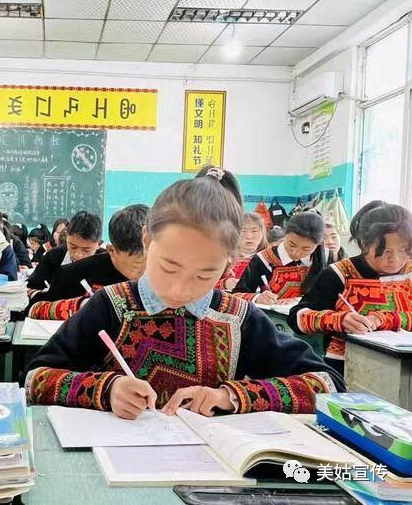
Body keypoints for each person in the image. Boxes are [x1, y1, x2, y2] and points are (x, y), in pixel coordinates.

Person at [25, 174, 342, 419]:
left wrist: (229, 397)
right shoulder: (110, 305)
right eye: (169, 267)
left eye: (204, 275)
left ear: (227, 264)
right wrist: (107, 389)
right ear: (147, 240)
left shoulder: (238, 319)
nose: (180, 289)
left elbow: (328, 385)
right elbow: (35, 379)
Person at [288, 201, 412, 375]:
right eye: (385, 251)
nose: (395, 259)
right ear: (364, 244)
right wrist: (339, 320)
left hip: (405, 368)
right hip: (347, 368)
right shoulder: (339, 273)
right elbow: (296, 318)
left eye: (404, 250)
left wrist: (383, 319)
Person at [28, 205, 149, 320]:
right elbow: (37, 306)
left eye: (86, 249)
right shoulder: (69, 272)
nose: (78, 254)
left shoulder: (153, 279)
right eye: (137, 265)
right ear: (111, 251)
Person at [233, 212, 327, 304]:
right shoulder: (262, 259)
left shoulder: (326, 258)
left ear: (318, 245)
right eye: (292, 244)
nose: (296, 252)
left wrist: (297, 301)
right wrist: (257, 298)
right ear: (285, 234)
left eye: (306, 249)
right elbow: (236, 295)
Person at [26, 211, 102, 292]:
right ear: (67, 238)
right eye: (73, 246)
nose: (78, 254)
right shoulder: (53, 256)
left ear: (98, 244)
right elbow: (30, 287)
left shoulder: (106, 263)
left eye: (86, 249)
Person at [218, 212, 268, 291]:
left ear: (262, 234)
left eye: (254, 231)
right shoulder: (222, 257)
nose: (249, 236)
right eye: (243, 231)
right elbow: (204, 286)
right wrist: (224, 284)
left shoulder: (269, 259)